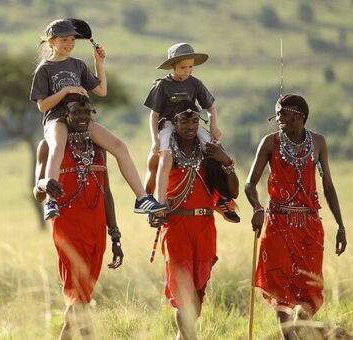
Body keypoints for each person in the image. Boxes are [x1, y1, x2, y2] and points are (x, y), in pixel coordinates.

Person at [30, 18, 165, 220]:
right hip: (57, 119)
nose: (69, 44)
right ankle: (51, 200)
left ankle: (142, 198)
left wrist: (99, 63)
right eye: (64, 40)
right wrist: (67, 90)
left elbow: (101, 90)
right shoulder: (44, 69)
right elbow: (42, 106)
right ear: (51, 42)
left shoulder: (78, 65)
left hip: (82, 120)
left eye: (72, 40)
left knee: (119, 146)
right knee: (57, 146)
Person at [244, 93, 347, 340]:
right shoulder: (270, 143)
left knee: (307, 294)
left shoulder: (319, 143)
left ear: (300, 116)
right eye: (277, 112)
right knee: (281, 292)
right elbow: (249, 184)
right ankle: (288, 337)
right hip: (278, 224)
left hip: (310, 227)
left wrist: (341, 226)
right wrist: (258, 208)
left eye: (284, 112)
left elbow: (329, 187)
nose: (278, 117)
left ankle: (290, 335)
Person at [33, 94, 124, 339]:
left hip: (96, 229)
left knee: (81, 297)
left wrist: (115, 235)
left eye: (87, 112)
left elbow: (106, 193)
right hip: (68, 228)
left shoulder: (98, 148)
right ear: (65, 114)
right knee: (77, 294)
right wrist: (44, 185)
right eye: (77, 112)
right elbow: (37, 192)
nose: (83, 117)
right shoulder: (49, 146)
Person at [148, 100, 239, 340]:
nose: (190, 125)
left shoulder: (209, 152)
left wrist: (225, 160)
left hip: (205, 229)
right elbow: (148, 190)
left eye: (194, 121)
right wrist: (156, 207)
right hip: (176, 228)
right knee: (183, 298)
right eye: (184, 120)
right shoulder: (163, 153)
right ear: (174, 122)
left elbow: (233, 192)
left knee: (196, 301)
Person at [143, 42, 240, 223]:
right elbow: (154, 114)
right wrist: (155, 139)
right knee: (165, 158)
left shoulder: (196, 84)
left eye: (190, 67)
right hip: (169, 125)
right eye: (182, 67)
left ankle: (223, 198)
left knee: (214, 149)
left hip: (192, 124)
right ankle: (159, 204)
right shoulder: (162, 85)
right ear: (173, 66)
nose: (187, 71)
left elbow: (210, 108)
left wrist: (213, 127)